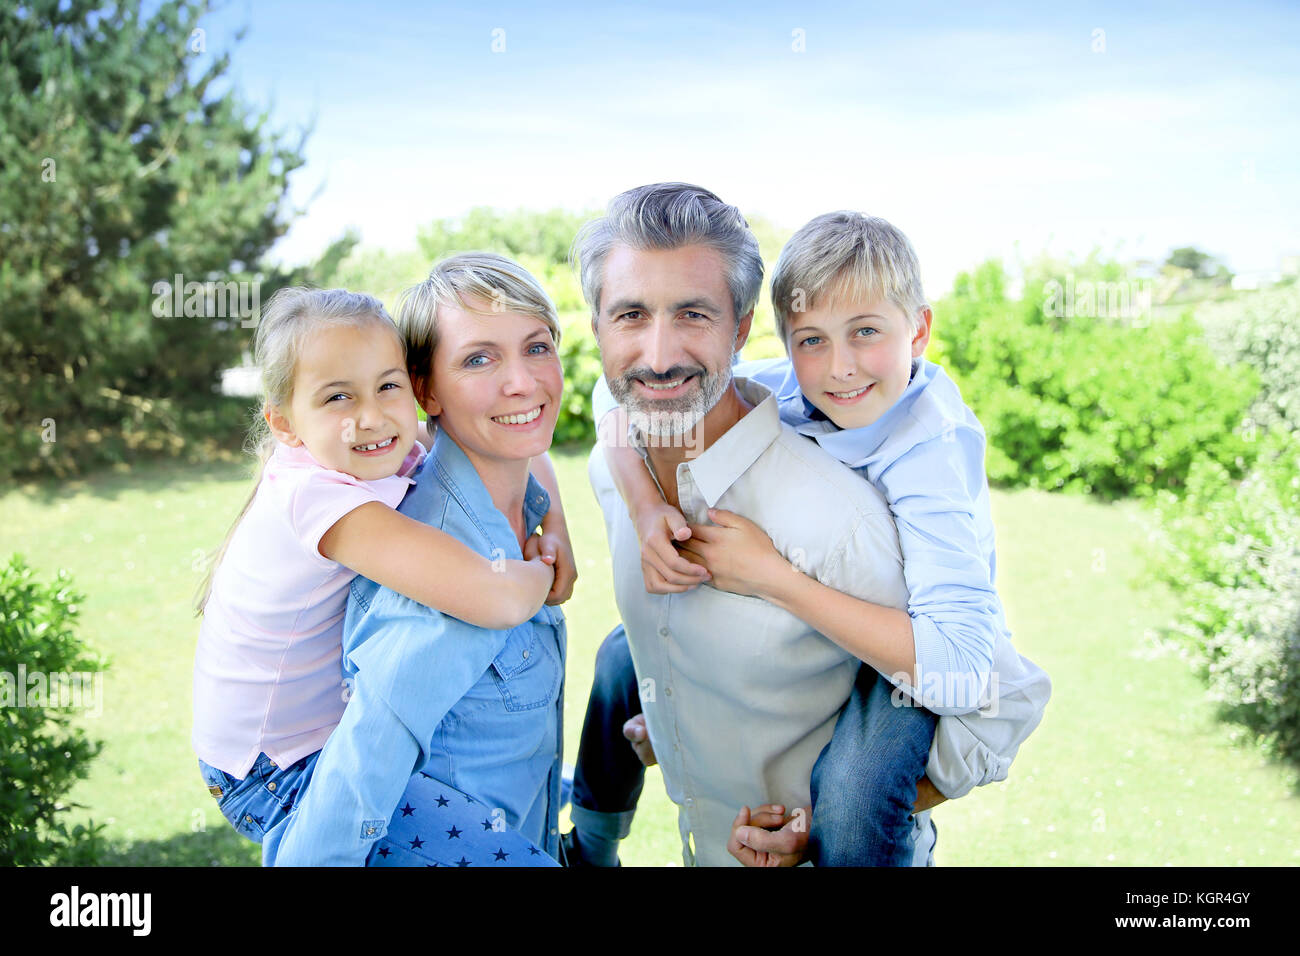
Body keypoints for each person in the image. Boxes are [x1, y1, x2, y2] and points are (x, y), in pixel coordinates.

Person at [570, 183, 1049, 867]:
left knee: (856, 790)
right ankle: (587, 842)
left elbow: (986, 683)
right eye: (629, 315)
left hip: (929, 651)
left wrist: (775, 579)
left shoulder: (908, 468)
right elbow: (618, 394)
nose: (840, 366)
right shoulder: (779, 387)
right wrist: (647, 505)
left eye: (692, 314)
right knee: (621, 655)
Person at [192, 285, 574, 852]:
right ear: (284, 423)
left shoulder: (369, 448)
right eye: (337, 398)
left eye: (387, 386)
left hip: (293, 741)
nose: (371, 416)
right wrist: (542, 567)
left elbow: (519, 438)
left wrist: (557, 524)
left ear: (414, 390)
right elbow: (495, 598)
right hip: (276, 769)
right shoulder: (323, 500)